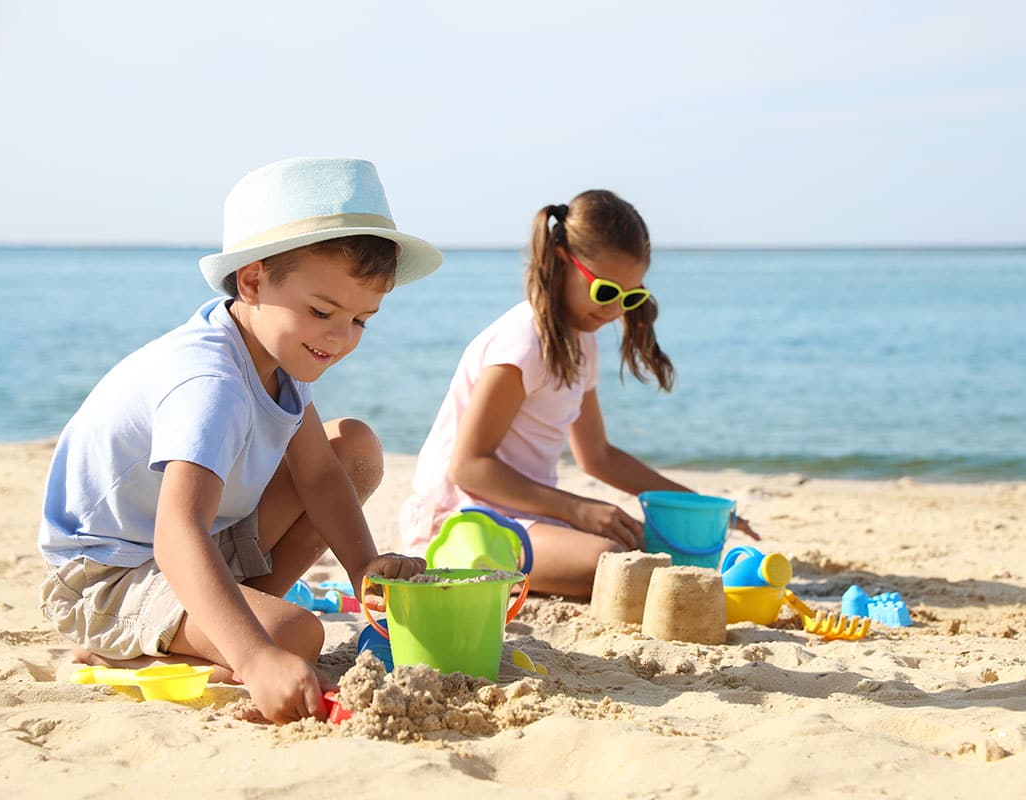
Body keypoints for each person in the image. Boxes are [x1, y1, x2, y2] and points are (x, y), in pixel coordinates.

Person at [38, 157, 441, 724]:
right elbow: (178, 532)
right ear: (252, 282)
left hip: (193, 547)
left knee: (351, 448)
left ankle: (216, 627)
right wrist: (257, 659)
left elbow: (322, 475)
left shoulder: (278, 355)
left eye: (361, 320)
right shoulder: (211, 383)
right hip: (109, 575)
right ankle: (144, 645)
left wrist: (365, 567)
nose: (341, 337)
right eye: (322, 311)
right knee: (295, 636)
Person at [399, 190, 757, 598]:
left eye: (630, 297)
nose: (615, 310)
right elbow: (468, 467)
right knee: (613, 560)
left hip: (523, 515)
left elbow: (597, 455)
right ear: (559, 260)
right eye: (605, 292)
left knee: (640, 547)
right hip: (461, 522)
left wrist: (701, 506)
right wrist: (577, 509)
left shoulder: (580, 343)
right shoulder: (523, 343)